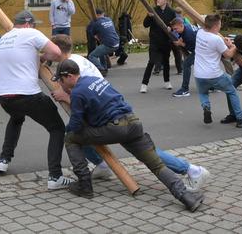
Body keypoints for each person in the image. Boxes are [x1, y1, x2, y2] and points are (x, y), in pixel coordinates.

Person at [45, 35, 212, 191]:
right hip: (113, 111)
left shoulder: (74, 67)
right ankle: (102, 165)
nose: (46, 52)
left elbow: (83, 98)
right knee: (138, 147)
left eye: (48, 49)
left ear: (57, 50)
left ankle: (192, 170)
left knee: (76, 134)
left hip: (110, 117)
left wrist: (65, 97)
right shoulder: (75, 61)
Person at [54, 59, 204, 211]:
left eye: (61, 80)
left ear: (69, 76)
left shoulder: (78, 92)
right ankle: (187, 197)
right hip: (133, 123)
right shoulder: (95, 80)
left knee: (71, 137)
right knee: (157, 165)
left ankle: (84, 184)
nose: (60, 84)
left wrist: (75, 114)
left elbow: (76, 125)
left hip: (116, 128)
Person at [0, 10, 75, 190]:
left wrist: (36, 60)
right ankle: (55, 177)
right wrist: (45, 57)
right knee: (57, 128)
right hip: (27, 94)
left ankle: (3, 160)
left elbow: (20, 60)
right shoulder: (31, 33)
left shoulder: (4, 39)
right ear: (29, 24)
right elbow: (56, 51)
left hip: (5, 97)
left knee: (16, 118)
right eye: (34, 24)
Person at [193, 14, 242, 128]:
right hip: (214, 74)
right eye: (219, 24)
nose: (220, 26)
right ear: (215, 26)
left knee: (203, 92)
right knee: (232, 91)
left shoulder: (200, 33)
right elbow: (228, 55)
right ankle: (240, 119)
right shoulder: (216, 39)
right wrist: (233, 46)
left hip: (199, 73)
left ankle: (206, 107)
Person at [141, 0, 177, 93]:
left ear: (166, 1)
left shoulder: (171, 12)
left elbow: (175, 25)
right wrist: (149, 17)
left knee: (166, 62)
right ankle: (144, 84)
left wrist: (171, 28)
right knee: (151, 61)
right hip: (154, 41)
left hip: (166, 41)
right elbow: (145, 25)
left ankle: (167, 81)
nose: (158, 0)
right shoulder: (153, 10)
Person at [85, 8, 120, 73]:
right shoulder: (109, 19)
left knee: (92, 56)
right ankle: (104, 67)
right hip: (117, 42)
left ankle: (101, 69)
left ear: (96, 15)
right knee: (101, 51)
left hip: (109, 44)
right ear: (103, 14)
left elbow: (91, 33)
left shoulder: (95, 22)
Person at [170, 17, 197, 98]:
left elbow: (194, 47)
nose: (175, 30)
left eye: (176, 29)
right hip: (202, 48)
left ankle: (185, 89)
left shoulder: (189, 34)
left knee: (186, 64)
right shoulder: (186, 26)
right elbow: (182, 35)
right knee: (203, 67)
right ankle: (213, 86)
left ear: (181, 25)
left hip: (201, 49)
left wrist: (181, 44)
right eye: (173, 29)